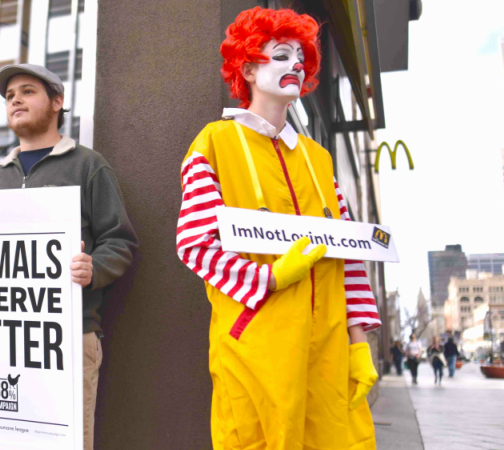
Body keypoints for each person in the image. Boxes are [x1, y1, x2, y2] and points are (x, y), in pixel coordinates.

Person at [176, 7, 381, 449]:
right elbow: (195, 244)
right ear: (248, 68)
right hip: (257, 348)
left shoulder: (319, 159)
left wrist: (357, 341)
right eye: (282, 55)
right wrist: (270, 278)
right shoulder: (213, 144)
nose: (296, 66)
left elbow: (349, 256)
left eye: (301, 59)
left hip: (328, 350)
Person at [0, 64, 139, 450]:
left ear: (57, 102)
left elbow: (119, 241)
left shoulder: (88, 165)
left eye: (27, 91)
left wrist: (93, 269)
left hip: (68, 339)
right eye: (9, 96)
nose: (15, 100)